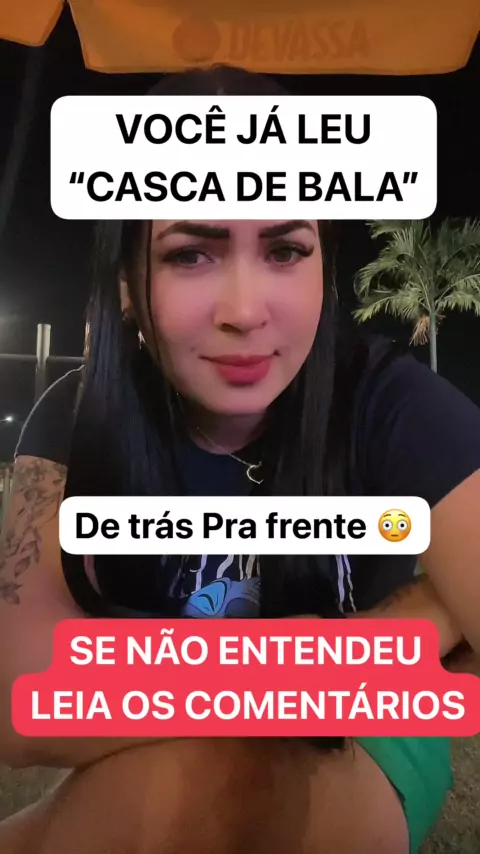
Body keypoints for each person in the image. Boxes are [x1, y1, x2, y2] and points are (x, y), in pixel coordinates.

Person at [1, 64, 480, 854]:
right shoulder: (79, 418)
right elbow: (25, 700)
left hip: (355, 733)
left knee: (212, 782)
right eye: (191, 254)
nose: (245, 310)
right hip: (182, 733)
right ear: (127, 284)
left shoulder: (390, 403)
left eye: (286, 249)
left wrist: (133, 682)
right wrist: (404, 630)